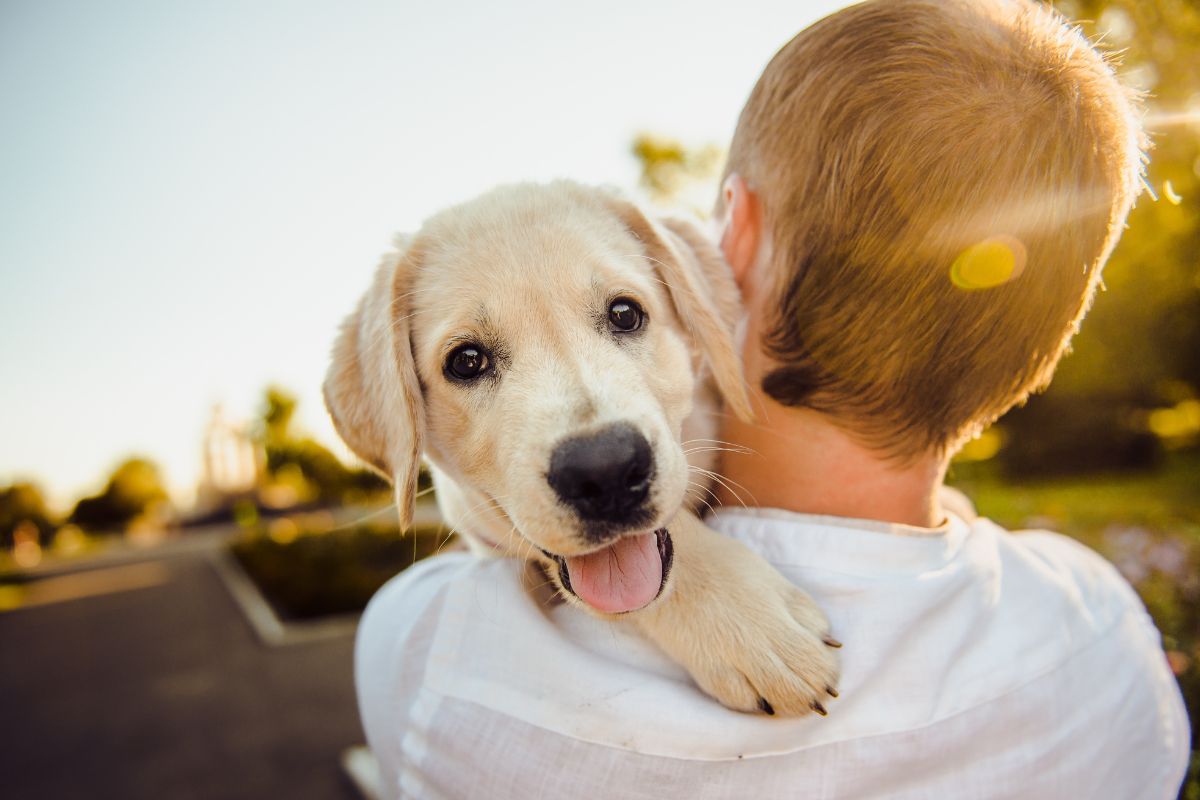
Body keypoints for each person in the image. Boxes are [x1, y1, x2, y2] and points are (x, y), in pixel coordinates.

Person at [355, 1, 1190, 797]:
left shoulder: (432, 655)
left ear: (730, 244)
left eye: (622, 316)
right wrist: (686, 578)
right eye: (470, 362)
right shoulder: (1106, 637)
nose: (596, 439)